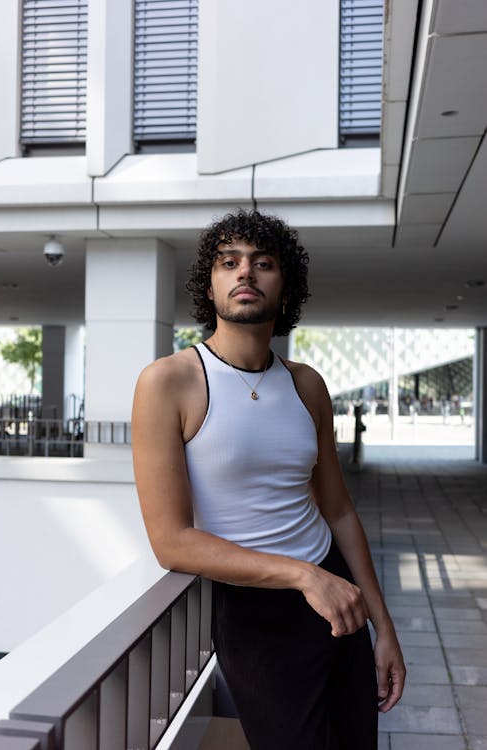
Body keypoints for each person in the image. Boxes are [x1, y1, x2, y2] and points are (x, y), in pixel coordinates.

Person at [132, 209, 405, 749]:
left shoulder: (307, 385)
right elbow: (170, 542)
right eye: (229, 263)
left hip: (336, 597)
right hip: (256, 609)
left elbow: (340, 511)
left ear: (286, 289)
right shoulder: (169, 382)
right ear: (209, 287)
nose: (245, 274)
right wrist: (302, 577)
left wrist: (384, 627)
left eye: (263, 263)